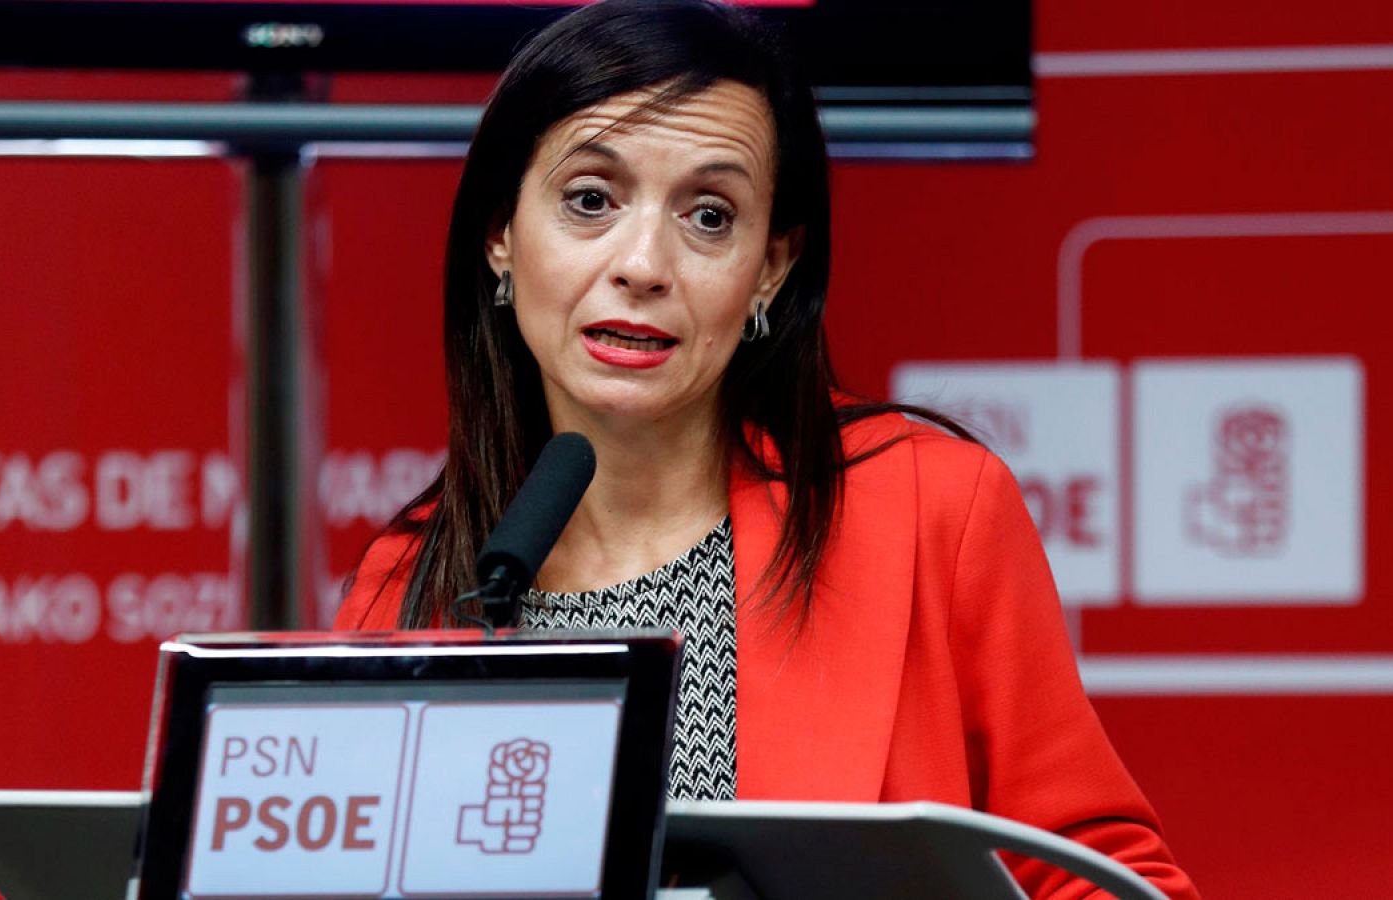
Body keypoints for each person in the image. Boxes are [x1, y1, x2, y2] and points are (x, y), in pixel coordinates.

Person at [336, 1, 1197, 896]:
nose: (644, 265)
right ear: (500, 235)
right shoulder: (408, 584)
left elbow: (1101, 874)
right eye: (590, 200)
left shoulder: (929, 508)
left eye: (709, 216)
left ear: (772, 268)